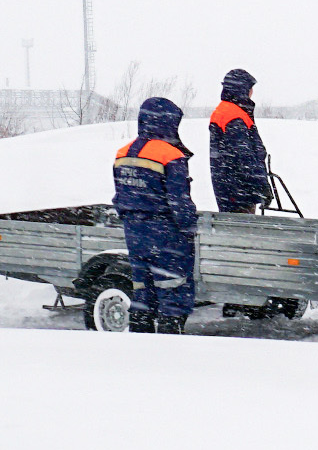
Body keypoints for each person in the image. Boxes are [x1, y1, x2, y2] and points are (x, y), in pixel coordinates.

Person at [112, 97, 198, 334]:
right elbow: (179, 200)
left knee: (142, 289)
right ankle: (170, 340)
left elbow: (119, 196)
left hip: (134, 233)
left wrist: (132, 219)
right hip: (165, 233)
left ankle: (141, 339)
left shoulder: (123, 152)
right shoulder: (170, 155)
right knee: (172, 288)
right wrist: (189, 228)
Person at [208, 68, 270, 213]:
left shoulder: (225, 111)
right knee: (242, 231)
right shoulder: (234, 115)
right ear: (241, 89)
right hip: (239, 192)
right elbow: (243, 156)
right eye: (250, 88)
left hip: (229, 189)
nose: (252, 93)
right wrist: (260, 186)